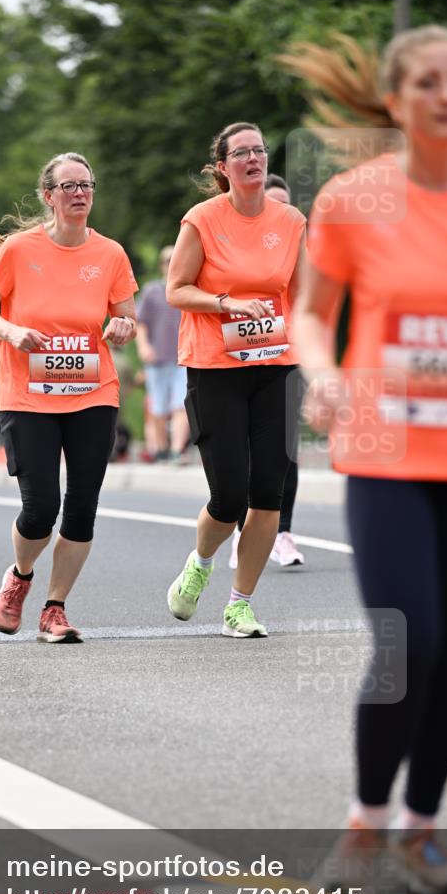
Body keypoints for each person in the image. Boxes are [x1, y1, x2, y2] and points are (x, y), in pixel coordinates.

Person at [291, 25, 447, 893]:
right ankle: (365, 822)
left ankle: (420, 831)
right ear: (398, 103)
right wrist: (323, 375)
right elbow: (309, 310)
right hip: (386, 450)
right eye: (429, 83)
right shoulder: (352, 199)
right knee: (412, 640)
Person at [0, 152, 137, 644]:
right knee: (41, 507)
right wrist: (11, 331)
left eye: (86, 185)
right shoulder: (20, 250)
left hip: (93, 390)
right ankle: (20, 577)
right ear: (49, 196)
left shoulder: (110, 254)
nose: (80, 194)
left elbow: (124, 318)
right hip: (27, 393)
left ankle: (55, 609)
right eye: (68, 187)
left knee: (82, 505)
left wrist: (123, 327)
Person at [165, 122, 306, 638]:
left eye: (260, 150)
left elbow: (305, 295)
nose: (254, 158)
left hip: (275, 367)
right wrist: (225, 304)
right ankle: (201, 562)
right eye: (241, 152)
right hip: (215, 368)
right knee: (229, 499)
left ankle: (239, 605)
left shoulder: (290, 221)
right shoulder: (203, 219)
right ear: (222, 168)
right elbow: (176, 289)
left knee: (268, 493)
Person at [229, 174, 305, 569]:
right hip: (235, 360)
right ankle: (243, 527)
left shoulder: (296, 237)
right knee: (240, 452)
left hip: (285, 357)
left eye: (284, 204)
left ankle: (283, 531)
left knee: (284, 452)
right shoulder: (234, 241)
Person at [135, 245, 189, 462]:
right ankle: (161, 449)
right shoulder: (152, 291)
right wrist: (143, 347)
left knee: (180, 404)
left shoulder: (189, 289)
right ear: (162, 265)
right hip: (157, 358)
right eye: (168, 260)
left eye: (175, 259)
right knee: (158, 406)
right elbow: (141, 323)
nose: (171, 264)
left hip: (183, 357)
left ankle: (176, 450)